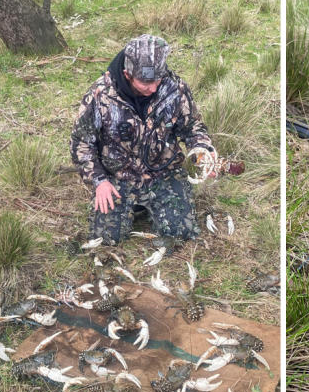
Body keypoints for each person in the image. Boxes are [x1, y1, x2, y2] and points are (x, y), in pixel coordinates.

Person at [70, 34, 216, 245]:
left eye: (158, 79)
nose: (154, 88)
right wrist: (98, 181)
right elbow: (81, 143)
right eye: (145, 82)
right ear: (127, 74)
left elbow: (193, 129)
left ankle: (152, 206)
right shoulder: (100, 95)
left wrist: (202, 153)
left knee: (182, 234)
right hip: (117, 177)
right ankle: (134, 207)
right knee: (104, 239)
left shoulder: (175, 89)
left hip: (164, 174)